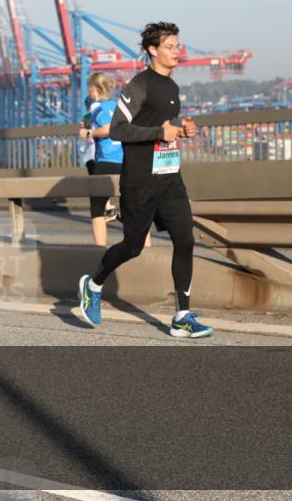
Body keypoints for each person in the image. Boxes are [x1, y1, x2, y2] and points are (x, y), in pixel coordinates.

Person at [78, 22, 213, 338]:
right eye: (169, 46)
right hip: (140, 182)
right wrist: (159, 132)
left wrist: (182, 128)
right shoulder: (138, 86)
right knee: (133, 246)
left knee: (185, 239)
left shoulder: (172, 87)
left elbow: (165, 124)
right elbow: (118, 130)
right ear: (152, 50)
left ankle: (181, 316)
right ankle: (94, 282)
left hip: (169, 179)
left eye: (177, 46)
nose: (176, 51)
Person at [78, 72, 124, 245]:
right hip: (126, 162)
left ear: (93, 88)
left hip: (106, 163)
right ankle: (144, 252)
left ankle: (99, 251)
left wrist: (88, 132)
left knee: (97, 211)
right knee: (134, 212)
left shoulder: (96, 107)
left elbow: (107, 128)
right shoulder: (117, 105)